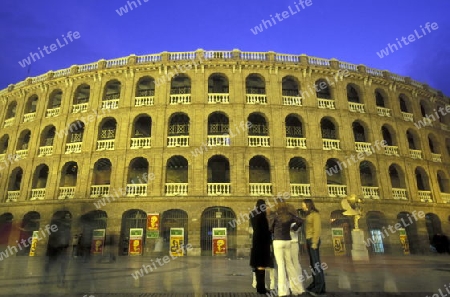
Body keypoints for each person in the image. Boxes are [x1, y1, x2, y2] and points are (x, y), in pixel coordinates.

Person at [268, 201, 305, 296]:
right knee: (290, 264)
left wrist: (274, 230)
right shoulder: (289, 215)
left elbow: (270, 228)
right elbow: (300, 221)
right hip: (288, 241)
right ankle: (299, 288)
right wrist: (295, 228)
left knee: (280, 265)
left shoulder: (275, 215)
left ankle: (283, 291)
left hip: (278, 241)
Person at [302, 199, 326, 296]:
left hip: (313, 240)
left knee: (316, 264)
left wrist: (314, 242)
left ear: (307, 205)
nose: (302, 206)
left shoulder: (315, 215)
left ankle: (320, 286)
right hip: (309, 240)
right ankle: (315, 283)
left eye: (303, 204)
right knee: (313, 264)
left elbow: (317, 229)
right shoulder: (308, 215)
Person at [250, 199, 274, 294]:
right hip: (263, 241)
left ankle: (259, 286)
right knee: (261, 265)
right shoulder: (263, 216)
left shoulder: (252, 214)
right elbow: (266, 229)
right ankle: (261, 288)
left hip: (256, 239)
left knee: (257, 265)